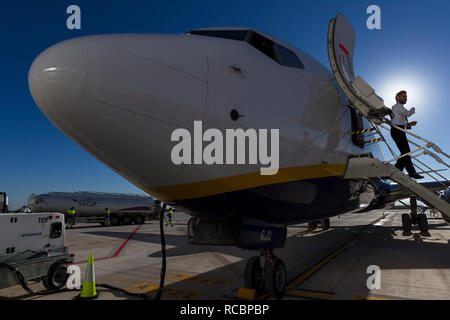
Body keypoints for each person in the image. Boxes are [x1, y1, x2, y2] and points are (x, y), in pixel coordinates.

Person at [390, 91, 424, 179]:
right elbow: (408, 114)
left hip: (399, 130)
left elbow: (400, 121)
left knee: (405, 152)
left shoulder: (399, 108)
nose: (406, 98)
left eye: (406, 97)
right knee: (406, 152)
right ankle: (411, 172)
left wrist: (409, 124)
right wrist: (413, 108)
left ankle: (397, 170)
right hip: (397, 131)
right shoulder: (397, 106)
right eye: (403, 96)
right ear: (397, 97)